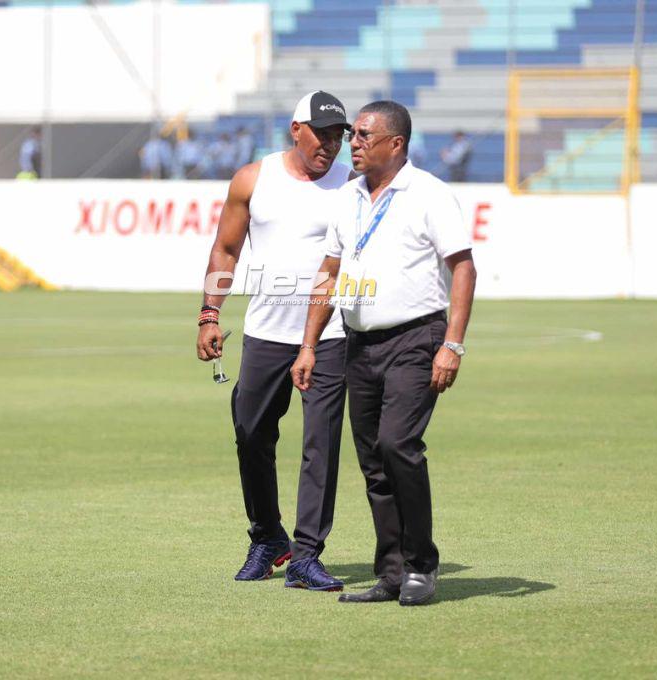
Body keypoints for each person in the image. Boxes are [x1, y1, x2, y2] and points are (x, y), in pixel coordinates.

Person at [291, 100, 477, 606]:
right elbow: (329, 273)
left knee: (398, 446)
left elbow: (463, 267)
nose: (352, 141)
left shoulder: (429, 194)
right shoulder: (348, 197)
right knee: (374, 462)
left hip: (416, 340)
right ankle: (392, 573)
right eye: (353, 134)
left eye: (364, 135)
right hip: (359, 343)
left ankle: (422, 566)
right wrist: (309, 345)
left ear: (395, 144)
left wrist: (452, 345)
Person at [196, 91, 354, 591]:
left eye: (338, 136)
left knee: (320, 445)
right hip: (265, 331)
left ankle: (307, 554)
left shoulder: (352, 186)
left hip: (329, 334)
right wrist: (209, 313)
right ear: (295, 129)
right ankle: (268, 537)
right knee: (250, 434)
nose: (330, 144)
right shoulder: (252, 178)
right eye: (321, 133)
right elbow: (225, 249)